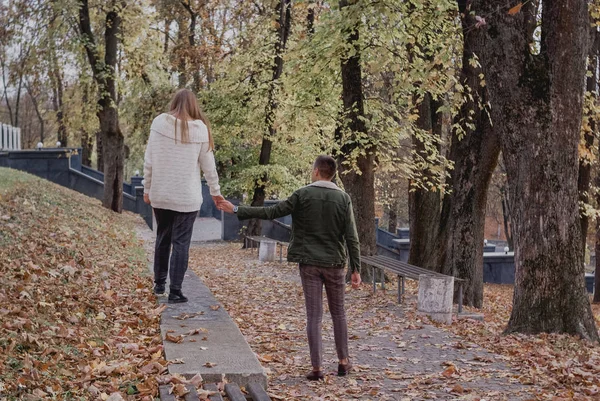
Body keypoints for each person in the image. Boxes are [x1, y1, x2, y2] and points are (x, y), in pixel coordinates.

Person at [218, 155, 361, 380]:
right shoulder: (344, 199)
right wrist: (356, 269)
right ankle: (343, 363)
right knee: (339, 313)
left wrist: (236, 210)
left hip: (309, 264)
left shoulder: (302, 195)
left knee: (314, 315)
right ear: (332, 174)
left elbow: (271, 212)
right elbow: (351, 237)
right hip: (335, 263)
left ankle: (317, 368)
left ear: (316, 171)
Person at [143, 88, 224, 303]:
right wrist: (216, 193)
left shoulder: (159, 123)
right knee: (180, 243)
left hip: (161, 193)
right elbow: (209, 168)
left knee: (162, 238)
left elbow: (149, 160)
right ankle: (176, 291)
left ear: (174, 102)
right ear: (193, 105)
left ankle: (159, 285)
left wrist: (147, 188)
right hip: (186, 198)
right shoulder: (201, 130)